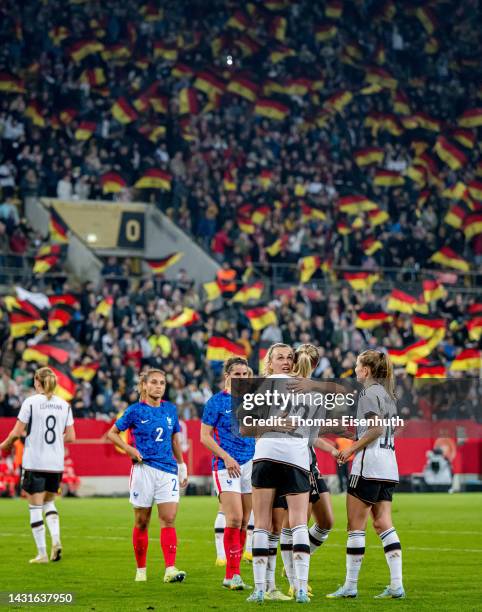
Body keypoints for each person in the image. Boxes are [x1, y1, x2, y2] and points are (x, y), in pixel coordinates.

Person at [327, 350, 405, 600]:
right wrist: (358, 437)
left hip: (368, 467)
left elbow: (376, 428)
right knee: (383, 523)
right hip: (388, 466)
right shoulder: (387, 395)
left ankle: (350, 586)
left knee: (355, 527)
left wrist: (351, 448)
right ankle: (396, 585)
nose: (355, 369)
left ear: (367, 370)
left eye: (358, 365)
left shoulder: (369, 393)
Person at [248, 343, 316, 604]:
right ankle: (299, 588)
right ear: (271, 361)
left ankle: (260, 590)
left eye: (289, 357)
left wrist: (271, 423)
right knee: (298, 522)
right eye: (281, 358)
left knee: (262, 523)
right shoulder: (307, 388)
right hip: (296, 458)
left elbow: (247, 426)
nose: (286, 361)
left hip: (266, 455)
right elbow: (311, 433)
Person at [107, 369, 188, 584]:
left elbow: (175, 440)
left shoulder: (170, 409)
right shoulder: (135, 411)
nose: (159, 386)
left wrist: (182, 466)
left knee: (169, 519)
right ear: (144, 385)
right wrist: (129, 449)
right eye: (154, 382)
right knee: (142, 522)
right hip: (143, 470)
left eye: (162, 382)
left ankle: (170, 568)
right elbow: (112, 433)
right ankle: (141, 570)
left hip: (168, 470)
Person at [0, 366, 76, 563]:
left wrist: (4, 445)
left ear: (37, 382)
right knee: (49, 502)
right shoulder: (64, 405)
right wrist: (56, 441)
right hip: (55, 463)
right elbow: (71, 437)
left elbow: (17, 432)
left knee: (35, 508)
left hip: (34, 462)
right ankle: (56, 540)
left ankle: (42, 553)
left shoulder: (31, 403)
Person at [200, 357, 254, 590]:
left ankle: (235, 573)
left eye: (245, 375)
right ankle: (230, 575)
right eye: (237, 374)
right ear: (227, 376)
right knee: (233, 517)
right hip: (226, 466)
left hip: (250, 464)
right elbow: (204, 436)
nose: (241, 378)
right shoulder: (215, 402)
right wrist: (226, 457)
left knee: (244, 521)